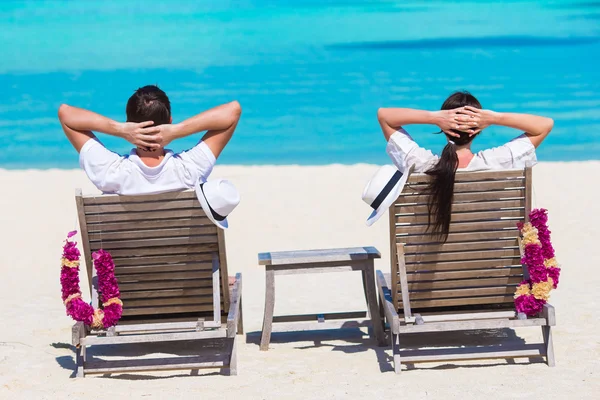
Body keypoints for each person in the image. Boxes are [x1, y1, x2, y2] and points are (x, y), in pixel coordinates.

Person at [377, 90, 553, 241]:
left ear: (443, 128)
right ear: (479, 130)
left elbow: (384, 116)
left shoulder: (419, 163)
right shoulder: (499, 162)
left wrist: (433, 117)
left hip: (425, 275)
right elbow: (544, 125)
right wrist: (494, 117)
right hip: (492, 271)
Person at [58, 85, 241, 195]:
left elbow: (66, 114)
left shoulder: (111, 172)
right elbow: (233, 111)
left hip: (125, 261)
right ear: (169, 122)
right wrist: (178, 130)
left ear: (130, 124)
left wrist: (120, 129)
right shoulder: (189, 170)